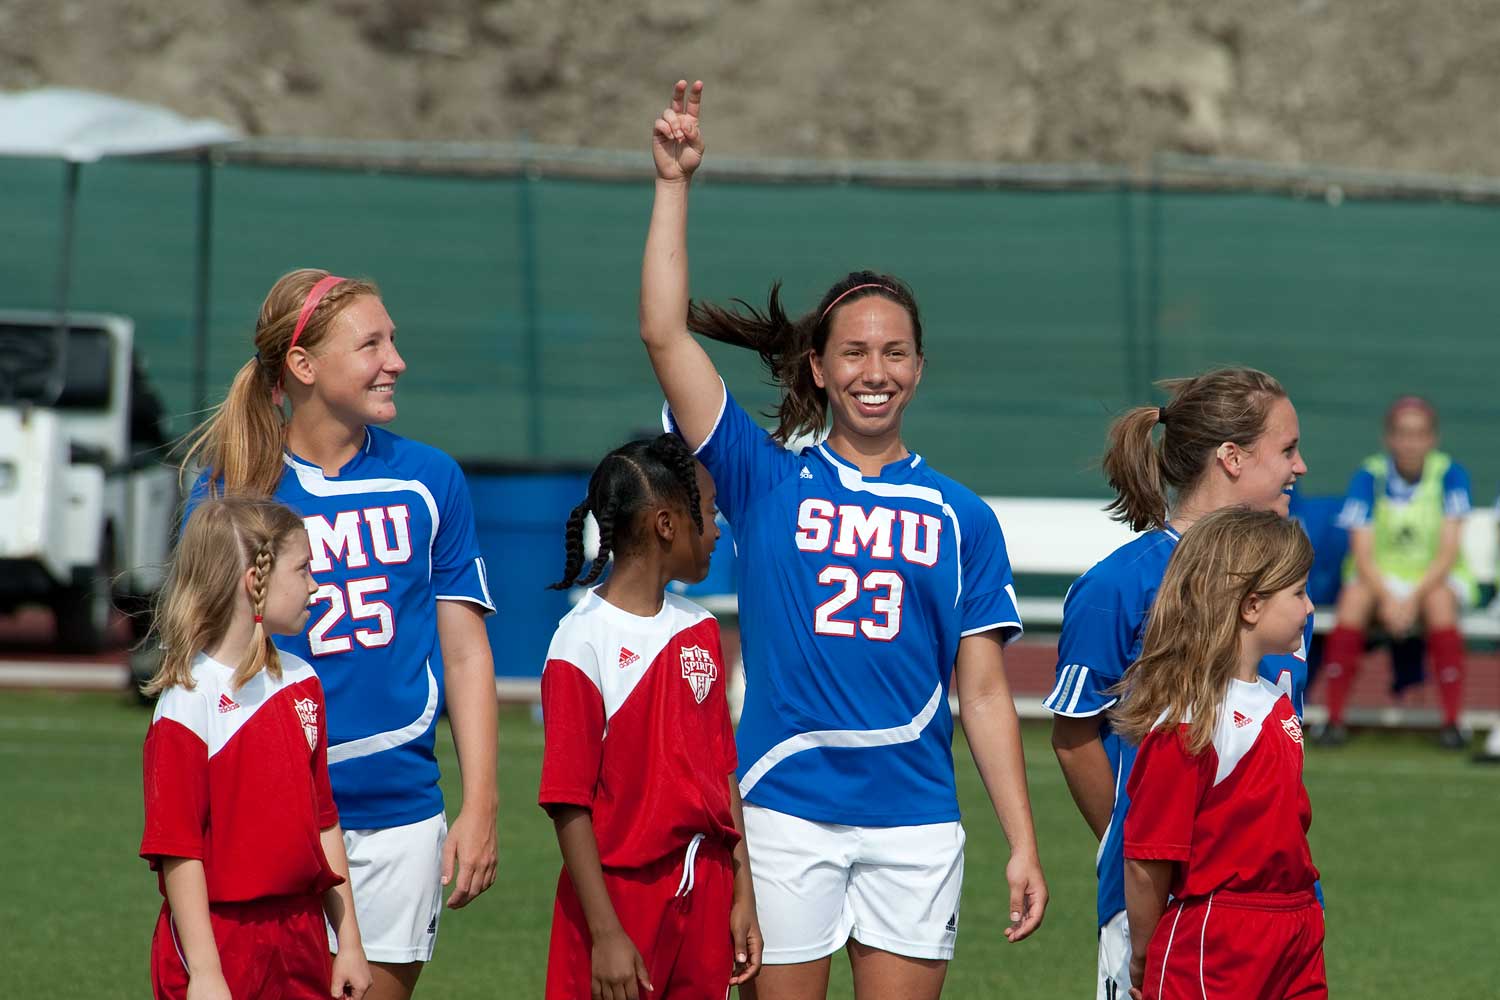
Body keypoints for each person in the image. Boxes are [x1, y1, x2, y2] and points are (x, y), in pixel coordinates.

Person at [640, 80, 1046, 1000]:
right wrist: (673, 183)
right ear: (819, 369)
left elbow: (984, 693)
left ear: (920, 369)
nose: (876, 370)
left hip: (915, 821)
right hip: (783, 810)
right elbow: (664, 334)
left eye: (895, 352)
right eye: (854, 352)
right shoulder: (763, 476)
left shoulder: (962, 517)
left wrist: (1022, 840)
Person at [179, 269, 498, 1000]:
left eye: (394, 341)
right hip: (265, 816)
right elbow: (204, 669)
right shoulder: (231, 494)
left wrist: (481, 804)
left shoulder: (430, 480)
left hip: (397, 815)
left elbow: (464, 652)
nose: (396, 362)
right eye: (371, 345)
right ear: (303, 365)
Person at [1044, 369, 1310, 1000]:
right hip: (1164, 908)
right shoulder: (1121, 584)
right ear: (1232, 458)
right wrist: (1136, 849)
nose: (1300, 467)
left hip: (1276, 908)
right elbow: (1075, 737)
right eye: (1287, 449)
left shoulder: (1285, 583)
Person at [538, 434, 760, 999]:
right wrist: (606, 932)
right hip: (616, 902)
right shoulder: (579, 641)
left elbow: (723, 772)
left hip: (706, 893)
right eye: (707, 512)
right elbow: (568, 801)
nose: (717, 530)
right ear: (666, 524)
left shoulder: (699, 629)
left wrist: (743, 892)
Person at [140, 495, 372, 1000]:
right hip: (220, 940)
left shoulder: (303, 682)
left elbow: (325, 821)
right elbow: (177, 850)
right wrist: (206, 972)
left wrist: (349, 942)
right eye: (303, 569)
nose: (316, 585)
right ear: (255, 582)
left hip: (302, 933)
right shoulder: (188, 702)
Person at [1114, 507, 1325, 1000]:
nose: (1310, 607)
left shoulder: (1275, 702)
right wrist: (1143, 954)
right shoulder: (1190, 723)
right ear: (1251, 606)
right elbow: (1147, 859)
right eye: (1298, 593)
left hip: (1295, 925)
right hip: (1218, 936)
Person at [1319, 395, 1474, 750]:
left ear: (1432, 439)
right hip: (1379, 579)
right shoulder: (1369, 475)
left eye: (1419, 434)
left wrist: (1411, 599)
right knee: (1353, 599)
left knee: (1439, 602)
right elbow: (1362, 551)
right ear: (1388, 438)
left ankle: (1453, 723)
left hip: (1434, 579)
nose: (1410, 443)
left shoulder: (1449, 474)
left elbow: (1448, 551)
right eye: (1402, 434)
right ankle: (1333, 720)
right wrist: (1390, 598)